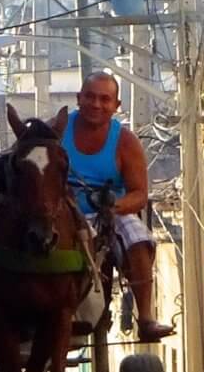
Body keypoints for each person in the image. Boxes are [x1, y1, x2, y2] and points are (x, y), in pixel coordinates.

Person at [61, 72, 173, 341]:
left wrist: (114, 206)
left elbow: (139, 194)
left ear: (116, 105)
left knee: (139, 239)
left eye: (104, 99)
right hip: (61, 210)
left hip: (107, 213)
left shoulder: (125, 141)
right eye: (90, 97)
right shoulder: (58, 129)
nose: (96, 104)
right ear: (79, 98)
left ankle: (145, 318)